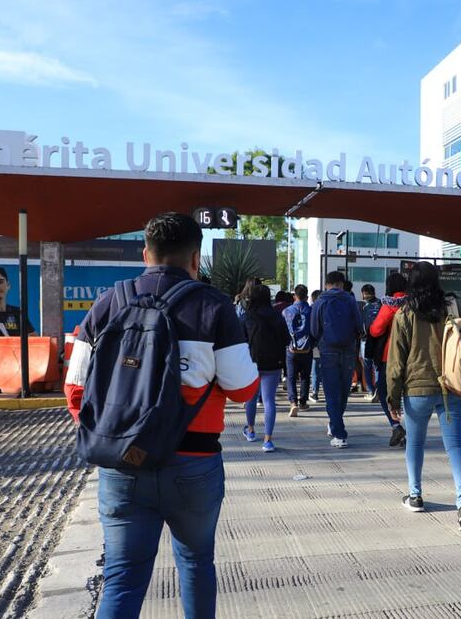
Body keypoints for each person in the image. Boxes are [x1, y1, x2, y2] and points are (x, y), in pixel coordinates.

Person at [64, 211, 260, 619]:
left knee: (122, 578)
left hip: (122, 464)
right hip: (194, 464)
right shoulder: (214, 307)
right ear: (196, 258)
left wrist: (120, 432)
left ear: (145, 254)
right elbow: (243, 390)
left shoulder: (108, 303)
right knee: (196, 563)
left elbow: (75, 391)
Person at [388, 261, 461, 531]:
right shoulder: (452, 307)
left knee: (415, 443)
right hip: (454, 385)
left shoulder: (404, 314)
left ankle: (415, 496)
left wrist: (392, 397)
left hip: (417, 388)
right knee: (456, 445)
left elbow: (396, 361)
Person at [310, 271, 362, 448]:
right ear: (341, 283)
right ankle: (335, 425)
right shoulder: (350, 300)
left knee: (331, 393)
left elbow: (314, 330)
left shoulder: (320, 301)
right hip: (348, 351)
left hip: (328, 351)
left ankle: (339, 434)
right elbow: (359, 326)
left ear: (327, 284)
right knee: (343, 392)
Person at [241, 284, 291, 452]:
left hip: (251, 362)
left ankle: (250, 430)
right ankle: (268, 440)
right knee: (269, 400)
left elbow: (239, 339)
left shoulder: (247, 316)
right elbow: (286, 339)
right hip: (273, 363)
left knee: (251, 397)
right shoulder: (277, 316)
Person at [369, 272, 408, 447]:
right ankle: (409, 429)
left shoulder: (389, 305)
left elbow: (375, 330)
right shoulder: (414, 304)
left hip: (389, 356)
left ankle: (396, 425)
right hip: (411, 356)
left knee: (386, 392)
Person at [283, 284, 314, 416]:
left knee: (291, 377)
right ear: (306, 296)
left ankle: (293, 402)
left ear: (294, 296)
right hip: (307, 348)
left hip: (291, 349)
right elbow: (315, 330)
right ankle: (303, 402)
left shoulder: (286, 311)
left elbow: (283, 330)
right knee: (305, 376)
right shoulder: (311, 311)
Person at [360, 284, 379, 401]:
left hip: (366, 340)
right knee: (377, 366)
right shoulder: (380, 304)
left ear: (364, 293)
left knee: (367, 366)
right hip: (378, 339)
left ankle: (371, 391)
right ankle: (378, 390)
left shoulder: (364, 306)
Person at [309, 289, 322, 403]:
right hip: (328, 343)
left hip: (315, 343)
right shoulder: (327, 308)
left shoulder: (311, 309)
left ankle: (315, 392)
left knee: (315, 368)